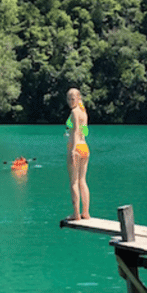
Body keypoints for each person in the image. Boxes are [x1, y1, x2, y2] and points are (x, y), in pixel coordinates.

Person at [65, 88, 90, 221]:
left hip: (76, 148)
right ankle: (85, 212)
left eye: (72, 99)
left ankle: (76, 214)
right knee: (82, 181)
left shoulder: (74, 112)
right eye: (68, 99)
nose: (70, 101)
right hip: (84, 147)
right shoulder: (84, 113)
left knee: (74, 182)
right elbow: (85, 132)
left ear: (79, 98)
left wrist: (73, 150)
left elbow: (75, 133)